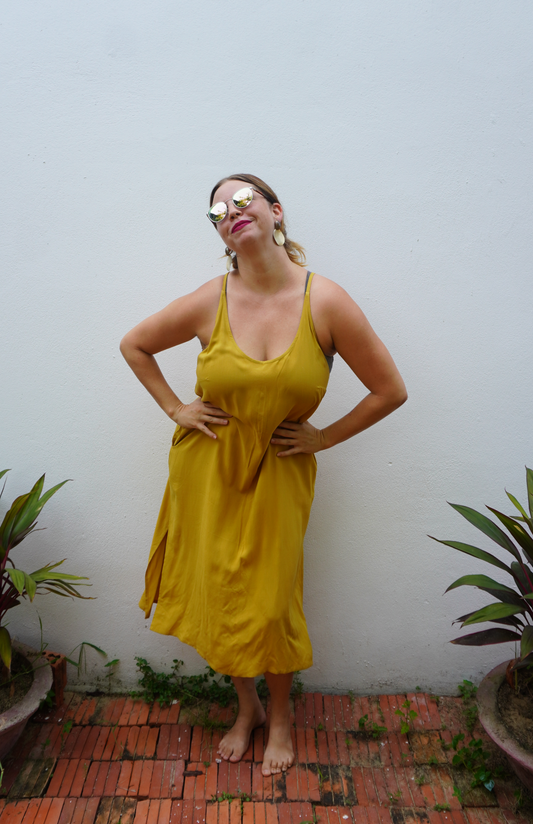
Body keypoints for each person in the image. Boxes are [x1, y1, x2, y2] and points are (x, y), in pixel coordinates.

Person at [120, 173, 407, 776]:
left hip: (280, 472)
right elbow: (135, 345)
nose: (231, 211)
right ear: (221, 233)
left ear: (277, 213)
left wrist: (324, 437)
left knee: (270, 601)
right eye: (219, 210)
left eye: (243, 200)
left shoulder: (324, 300)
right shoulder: (210, 299)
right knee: (222, 593)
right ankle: (246, 706)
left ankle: (280, 716)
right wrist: (176, 408)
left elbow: (390, 390)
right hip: (207, 471)